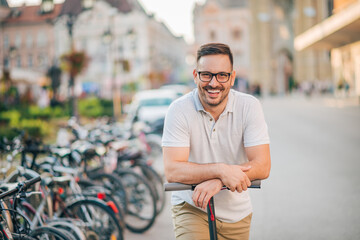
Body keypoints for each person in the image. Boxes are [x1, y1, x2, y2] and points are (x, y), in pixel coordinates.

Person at [162, 43, 271, 240]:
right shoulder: (178, 110)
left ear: (232, 77)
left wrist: (219, 181)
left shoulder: (249, 106)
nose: (214, 83)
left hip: (237, 212)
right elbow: (173, 170)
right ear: (195, 75)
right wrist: (220, 170)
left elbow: (262, 166)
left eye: (222, 75)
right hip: (191, 206)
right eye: (206, 75)